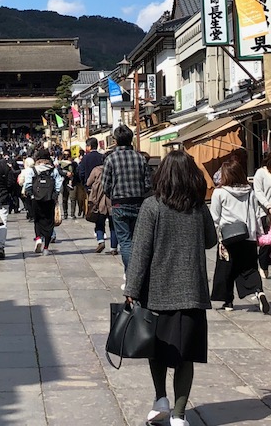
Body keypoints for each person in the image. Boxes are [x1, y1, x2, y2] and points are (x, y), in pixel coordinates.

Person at [124, 150, 217, 426]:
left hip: (158, 292)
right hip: (192, 291)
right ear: (192, 176)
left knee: (157, 350)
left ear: (162, 175)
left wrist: (131, 288)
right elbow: (210, 240)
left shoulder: (152, 206)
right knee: (186, 354)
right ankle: (179, 414)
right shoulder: (199, 207)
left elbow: (140, 252)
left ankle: (160, 398)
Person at [210, 160, 269, 313]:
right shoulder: (249, 191)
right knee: (249, 268)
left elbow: (215, 217)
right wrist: (259, 233)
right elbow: (256, 214)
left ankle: (228, 302)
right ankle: (259, 291)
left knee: (226, 269)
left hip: (229, 237)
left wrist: (218, 236)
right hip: (247, 236)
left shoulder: (219, 192)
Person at [101, 125, 152, 275]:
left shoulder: (110, 159)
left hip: (119, 203)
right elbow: (148, 184)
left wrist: (114, 195)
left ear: (115, 141)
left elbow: (105, 185)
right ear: (131, 140)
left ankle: (131, 274)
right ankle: (138, 274)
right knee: (137, 241)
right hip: (138, 203)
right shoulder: (140, 158)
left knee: (125, 242)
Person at [24, 148, 63, 255]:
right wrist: (55, 194)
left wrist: (31, 194)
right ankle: (46, 248)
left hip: (36, 198)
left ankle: (38, 238)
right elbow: (59, 184)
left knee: (37, 220)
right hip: (49, 198)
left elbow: (27, 184)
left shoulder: (33, 170)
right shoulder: (53, 170)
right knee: (49, 222)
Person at [86, 159, 118, 254]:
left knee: (99, 223)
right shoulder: (115, 169)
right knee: (113, 226)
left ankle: (101, 241)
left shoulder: (96, 170)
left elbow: (88, 182)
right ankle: (113, 248)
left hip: (99, 202)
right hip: (112, 201)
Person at [252, 153, 271, 279]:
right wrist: (268, 205)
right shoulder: (261, 173)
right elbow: (257, 192)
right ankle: (263, 265)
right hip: (265, 212)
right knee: (267, 242)